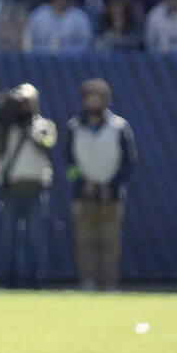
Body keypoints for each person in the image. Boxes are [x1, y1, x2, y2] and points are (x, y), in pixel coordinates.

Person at [66, 79, 137, 290]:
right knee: (84, 243)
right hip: (83, 196)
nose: (93, 101)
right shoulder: (73, 127)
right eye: (89, 97)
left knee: (110, 243)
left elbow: (129, 163)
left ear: (105, 100)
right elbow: (69, 164)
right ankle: (87, 283)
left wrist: (111, 186)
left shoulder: (120, 127)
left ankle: (109, 284)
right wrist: (80, 184)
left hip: (111, 197)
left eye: (97, 96)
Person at [0, 83, 56, 289]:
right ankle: (8, 280)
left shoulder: (44, 125)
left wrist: (31, 131)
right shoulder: (7, 128)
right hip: (10, 189)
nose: (23, 107)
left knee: (35, 238)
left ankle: (36, 280)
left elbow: (48, 144)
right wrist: (3, 123)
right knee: (8, 238)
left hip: (35, 189)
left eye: (26, 103)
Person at [23, 0, 93, 52]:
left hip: (71, 58)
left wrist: (65, 50)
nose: (61, 1)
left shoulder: (79, 17)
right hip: (41, 57)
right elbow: (28, 38)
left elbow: (86, 43)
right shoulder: (38, 15)